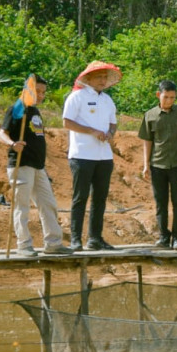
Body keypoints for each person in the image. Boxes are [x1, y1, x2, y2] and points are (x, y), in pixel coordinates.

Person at [0, 75, 72, 256]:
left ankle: (53, 243)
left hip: (38, 167)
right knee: (22, 206)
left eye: (43, 92)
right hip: (21, 164)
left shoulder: (35, 112)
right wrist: (12, 144)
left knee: (48, 203)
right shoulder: (17, 109)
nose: (40, 95)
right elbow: (1, 134)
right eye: (37, 91)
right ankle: (23, 245)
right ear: (27, 90)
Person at [63, 61, 120, 251]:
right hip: (82, 154)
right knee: (80, 197)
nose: (102, 80)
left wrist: (110, 133)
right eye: (99, 77)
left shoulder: (107, 100)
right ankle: (75, 239)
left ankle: (95, 238)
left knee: (100, 198)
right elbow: (67, 122)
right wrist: (92, 131)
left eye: (105, 77)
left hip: (104, 155)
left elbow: (113, 123)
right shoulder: (76, 96)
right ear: (88, 78)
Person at [139, 80, 177, 250]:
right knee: (160, 202)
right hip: (158, 164)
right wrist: (146, 165)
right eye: (166, 97)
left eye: (173, 97)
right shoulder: (150, 115)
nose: (170, 101)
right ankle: (163, 237)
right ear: (159, 95)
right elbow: (147, 141)